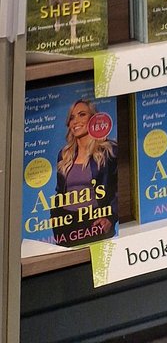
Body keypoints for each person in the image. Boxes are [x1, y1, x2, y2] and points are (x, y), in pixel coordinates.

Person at [53, 98, 118, 246]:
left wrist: (111, 217)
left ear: (93, 118)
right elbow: (59, 192)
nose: (75, 121)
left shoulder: (109, 150)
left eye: (82, 114)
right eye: (71, 117)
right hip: (66, 223)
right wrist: (56, 218)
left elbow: (117, 189)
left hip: (94, 222)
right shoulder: (64, 155)